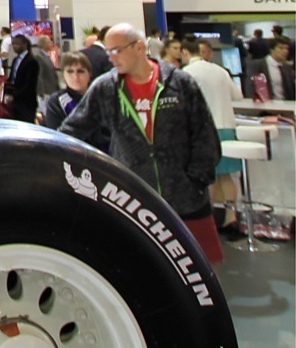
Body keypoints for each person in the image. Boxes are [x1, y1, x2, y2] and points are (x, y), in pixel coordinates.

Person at [62, 22, 222, 260]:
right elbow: (71, 130)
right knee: (141, 265)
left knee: (202, 266)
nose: (111, 58)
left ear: (138, 47)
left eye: (117, 50)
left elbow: (204, 133)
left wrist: (195, 180)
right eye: (108, 52)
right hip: (133, 201)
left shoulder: (178, 83)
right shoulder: (106, 87)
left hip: (187, 200)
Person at [181, 36, 245, 237]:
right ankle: (231, 217)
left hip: (206, 130)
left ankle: (209, 218)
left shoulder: (186, 73)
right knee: (225, 176)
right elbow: (238, 96)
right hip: (227, 126)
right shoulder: (220, 71)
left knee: (207, 178)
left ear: (185, 53)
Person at [42, 51, 107, 145]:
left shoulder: (102, 97)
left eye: (80, 71)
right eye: (70, 71)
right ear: (63, 74)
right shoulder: (56, 101)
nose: (75, 76)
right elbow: (57, 136)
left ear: (89, 74)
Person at [3, 34, 40, 122]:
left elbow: (30, 84)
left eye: (17, 44)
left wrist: (15, 95)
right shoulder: (15, 60)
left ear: (24, 45)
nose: (15, 47)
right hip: (15, 102)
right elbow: (12, 78)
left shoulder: (32, 61)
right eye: (13, 44)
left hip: (26, 102)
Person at [32, 35, 59, 106]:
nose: (51, 44)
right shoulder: (39, 57)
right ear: (44, 44)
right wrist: (41, 92)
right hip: (45, 92)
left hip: (52, 90)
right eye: (49, 42)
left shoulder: (46, 56)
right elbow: (39, 75)